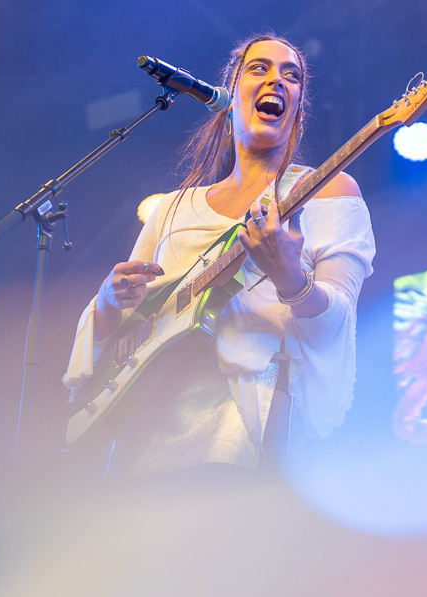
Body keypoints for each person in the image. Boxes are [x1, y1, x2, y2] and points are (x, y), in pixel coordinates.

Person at [63, 34, 375, 477]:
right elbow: (132, 326)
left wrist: (291, 279)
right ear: (229, 94)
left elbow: (340, 322)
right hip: (144, 425)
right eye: (259, 68)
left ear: (298, 109)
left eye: (292, 75)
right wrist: (109, 303)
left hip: (242, 425)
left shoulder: (328, 190)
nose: (277, 80)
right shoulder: (172, 207)